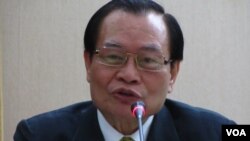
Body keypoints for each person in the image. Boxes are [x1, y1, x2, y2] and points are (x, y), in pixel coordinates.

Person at [14, 0, 236, 141]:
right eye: (113, 57)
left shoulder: (221, 132)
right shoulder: (35, 135)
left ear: (173, 73)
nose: (129, 75)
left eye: (149, 60)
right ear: (88, 64)